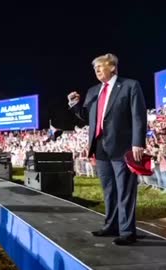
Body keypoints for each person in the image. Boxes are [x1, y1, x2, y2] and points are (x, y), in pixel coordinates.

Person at [68, 53, 147, 245]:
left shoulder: (130, 85)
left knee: (125, 191)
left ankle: (127, 232)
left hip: (123, 147)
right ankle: (111, 226)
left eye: (100, 67)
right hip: (100, 147)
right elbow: (88, 116)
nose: (96, 71)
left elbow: (138, 115)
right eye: (94, 68)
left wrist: (138, 143)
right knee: (109, 190)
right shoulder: (93, 91)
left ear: (112, 67)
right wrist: (75, 104)